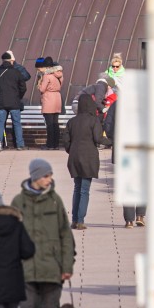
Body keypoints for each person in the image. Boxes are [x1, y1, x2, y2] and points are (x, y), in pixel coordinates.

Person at [10, 160, 73, 308]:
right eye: (46, 175)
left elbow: (66, 235)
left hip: (52, 268)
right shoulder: (19, 202)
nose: (49, 179)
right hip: (26, 269)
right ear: (36, 177)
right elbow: (10, 237)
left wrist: (66, 266)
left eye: (50, 175)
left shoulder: (55, 201)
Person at [62, 93, 103, 229]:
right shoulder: (94, 120)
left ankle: (74, 219)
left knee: (77, 188)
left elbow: (66, 141)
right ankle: (80, 220)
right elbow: (98, 138)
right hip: (89, 157)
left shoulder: (72, 121)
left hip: (74, 157)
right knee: (85, 190)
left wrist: (71, 150)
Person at [0, 51, 31, 150]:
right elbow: (23, 87)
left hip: (1, 103)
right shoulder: (16, 72)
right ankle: (20, 145)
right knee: (17, 123)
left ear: (3, 61)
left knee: (0, 124)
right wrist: (18, 96)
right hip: (14, 102)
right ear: (11, 61)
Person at [36, 57, 64, 150]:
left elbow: (42, 89)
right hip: (57, 98)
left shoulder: (47, 76)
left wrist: (39, 85)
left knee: (49, 124)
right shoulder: (59, 75)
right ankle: (56, 144)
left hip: (48, 99)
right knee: (55, 123)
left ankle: (49, 144)